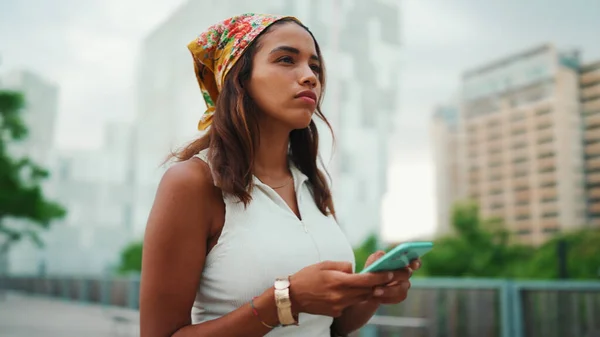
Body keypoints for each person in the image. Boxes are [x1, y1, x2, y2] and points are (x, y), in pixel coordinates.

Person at [139, 13, 421, 337]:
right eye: (286, 60)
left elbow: (333, 325)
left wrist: (371, 291)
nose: (309, 77)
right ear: (239, 78)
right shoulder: (192, 183)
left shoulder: (310, 182)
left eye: (314, 66)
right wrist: (287, 301)